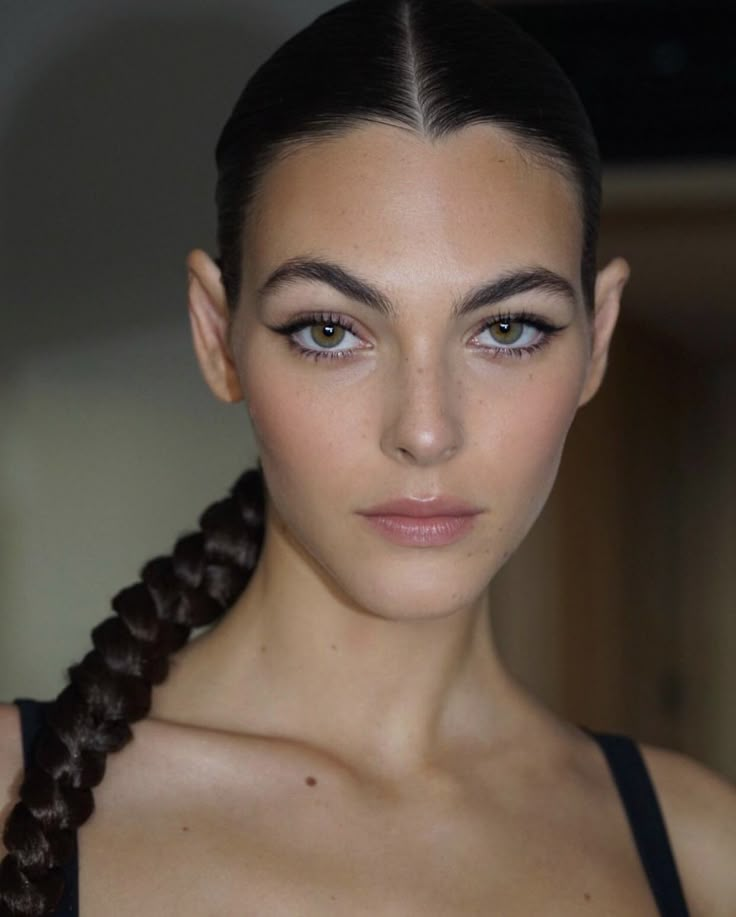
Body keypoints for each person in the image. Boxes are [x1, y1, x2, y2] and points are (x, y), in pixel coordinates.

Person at [1, 0, 735, 914]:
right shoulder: (10, 799)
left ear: (599, 337)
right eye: (329, 329)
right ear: (217, 335)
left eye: (507, 329)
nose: (424, 430)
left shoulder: (705, 850)